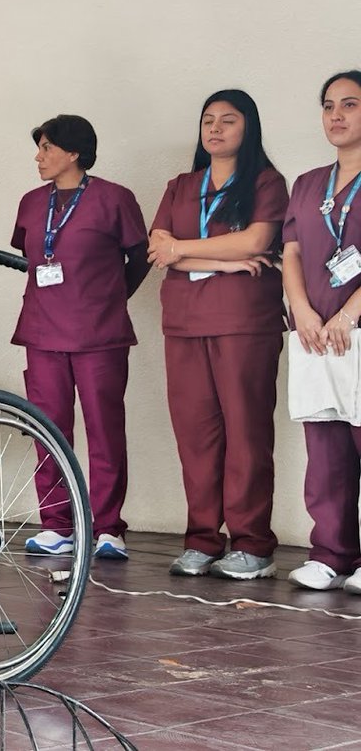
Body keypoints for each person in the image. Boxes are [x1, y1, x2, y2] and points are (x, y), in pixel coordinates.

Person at [148, 89, 288, 580]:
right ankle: (203, 539)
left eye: (228, 120)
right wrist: (224, 260)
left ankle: (253, 545)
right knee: (195, 434)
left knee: (246, 432)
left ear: (248, 128)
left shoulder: (267, 181)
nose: (215, 128)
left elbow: (257, 241)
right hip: (184, 322)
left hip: (244, 322)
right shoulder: (180, 184)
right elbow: (158, 248)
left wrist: (188, 251)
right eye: (208, 119)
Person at [12, 115, 148, 561]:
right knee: (48, 430)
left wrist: (110, 298)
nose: (39, 156)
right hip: (42, 332)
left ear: (74, 152)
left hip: (100, 336)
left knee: (104, 430)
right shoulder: (32, 202)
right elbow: (30, 255)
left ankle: (107, 527)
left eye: (47, 147)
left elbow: (139, 257)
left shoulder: (114, 199)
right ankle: (56, 525)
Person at [283, 69, 361, 593]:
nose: (336, 115)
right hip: (315, 335)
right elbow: (289, 250)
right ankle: (330, 554)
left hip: (355, 330)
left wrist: (350, 312)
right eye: (329, 105)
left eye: (350, 104)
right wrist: (303, 312)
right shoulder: (309, 183)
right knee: (325, 445)